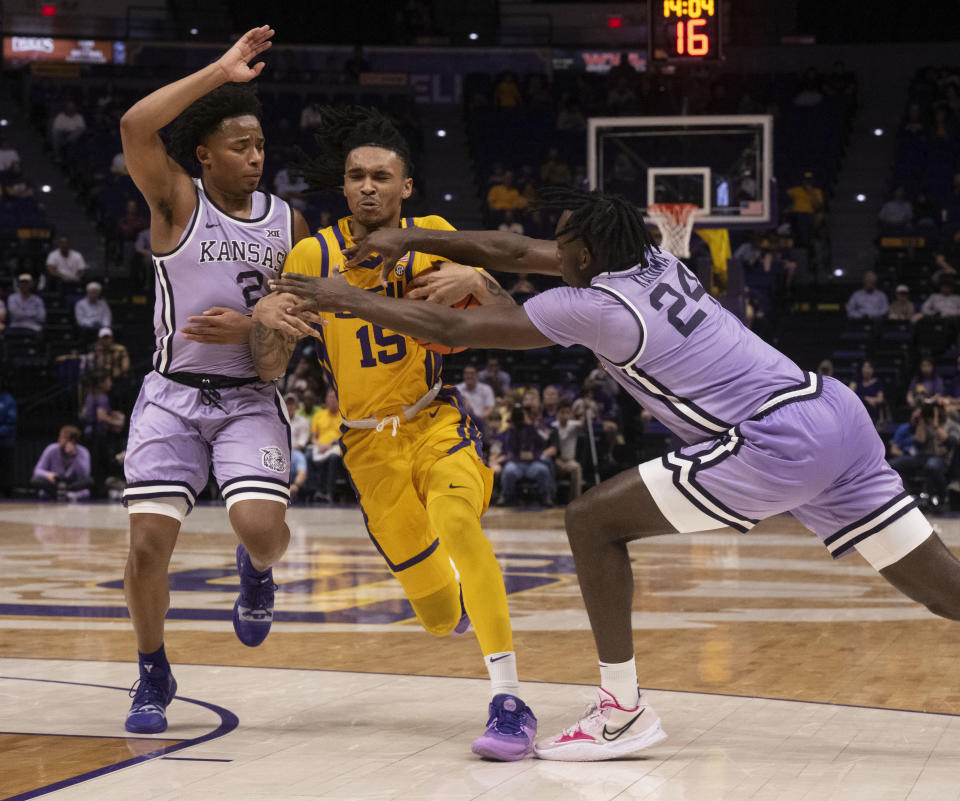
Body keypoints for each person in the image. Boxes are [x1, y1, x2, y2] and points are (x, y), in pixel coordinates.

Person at [277, 185, 960, 762]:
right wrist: (405, 236)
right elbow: (513, 251)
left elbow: (455, 329)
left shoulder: (592, 304)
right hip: (833, 410)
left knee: (592, 520)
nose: (555, 249)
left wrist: (349, 298)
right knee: (940, 589)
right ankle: (621, 706)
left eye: (564, 243)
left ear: (585, 256)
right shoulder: (652, 258)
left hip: (775, 439)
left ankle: (622, 708)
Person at [249, 105, 537, 761]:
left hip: (435, 418)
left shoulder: (434, 235)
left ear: (406, 187)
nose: (368, 186)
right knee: (438, 617)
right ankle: (459, 607)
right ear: (344, 186)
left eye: (382, 175)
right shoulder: (310, 254)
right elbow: (269, 364)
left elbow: (516, 327)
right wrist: (264, 317)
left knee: (459, 522)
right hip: (365, 447)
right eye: (357, 176)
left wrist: (479, 278)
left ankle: (510, 702)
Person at [116, 25, 310, 736]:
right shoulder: (175, 200)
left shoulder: (289, 223)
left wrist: (258, 324)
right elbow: (136, 124)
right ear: (205, 154)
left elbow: (281, 355)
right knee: (144, 547)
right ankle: (152, 669)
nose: (256, 157)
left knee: (263, 531)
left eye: (260, 145)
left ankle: (256, 570)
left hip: (249, 398)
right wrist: (223, 70)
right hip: (171, 394)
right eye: (240, 145)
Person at [31, 425, 93, 501]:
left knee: (89, 481)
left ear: (72, 441)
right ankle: (64, 494)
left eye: (63, 438)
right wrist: (47, 474)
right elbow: (37, 470)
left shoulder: (83, 452)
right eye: (60, 436)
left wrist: (74, 456)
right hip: (56, 481)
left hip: (72, 483)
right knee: (36, 480)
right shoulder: (51, 449)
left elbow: (85, 474)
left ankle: (63, 493)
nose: (59, 439)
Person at [309, 388, 342, 502]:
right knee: (308, 456)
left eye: (335, 397)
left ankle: (329, 492)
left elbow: (346, 437)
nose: (332, 400)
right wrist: (319, 445)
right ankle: (316, 491)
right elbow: (313, 437)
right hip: (320, 446)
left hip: (336, 446)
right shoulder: (319, 415)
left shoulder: (344, 416)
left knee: (333, 458)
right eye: (330, 397)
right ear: (326, 400)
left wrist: (330, 445)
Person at [551, 399, 583, 500]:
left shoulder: (573, 425)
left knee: (577, 468)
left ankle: (576, 500)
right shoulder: (553, 426)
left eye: (567, 412)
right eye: (562, 412)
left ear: (570, 414)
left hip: (569, 461)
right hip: (556, 461)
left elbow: (583, 423)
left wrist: (582, 411)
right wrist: (557, 460)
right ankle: (551, 497)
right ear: (557, 414)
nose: (565, 415)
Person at [6, 274, 46, 338]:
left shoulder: (38, 300)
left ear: (31, 284)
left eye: (27, 283)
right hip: (16, 326)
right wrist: (32, 313)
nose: (24, 285)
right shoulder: (12, 298)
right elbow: (14, 315)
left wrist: (21, 312)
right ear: (18, 284)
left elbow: (41, 317)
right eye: (22, 283)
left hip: (33, 326)